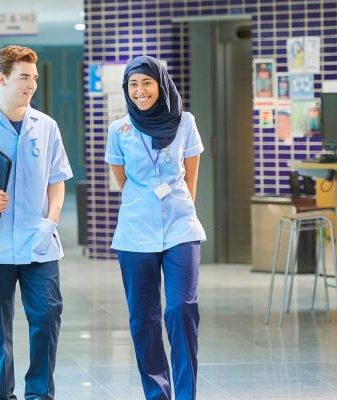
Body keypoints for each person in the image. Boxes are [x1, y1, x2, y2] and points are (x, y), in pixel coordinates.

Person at [0, 45, 73, 400]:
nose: (31, 86)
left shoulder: (47, 126)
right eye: (23, 78)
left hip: (39, 243)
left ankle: (39, 393)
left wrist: (50, 221)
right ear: (2, 78)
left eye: (34, 79)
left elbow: (57, 181)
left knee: (47, 318)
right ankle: (2, 393)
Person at [104, 56, 206, 400]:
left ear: (161, 85)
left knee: (180, 309)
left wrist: (177, 206)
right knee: (143, 320)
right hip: (135, 234)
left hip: (181, 230)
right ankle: (157, 393)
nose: (140, 91)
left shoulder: (185, 122)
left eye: (147, 83)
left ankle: (186, 393)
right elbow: (122, 180)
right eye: (133, 84)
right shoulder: (118, 130)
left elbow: (191, 177)